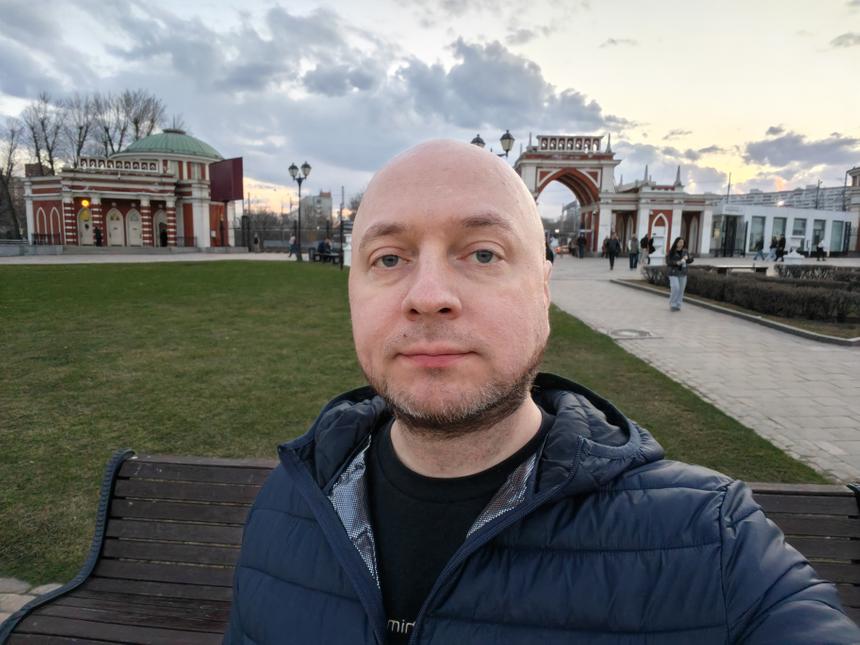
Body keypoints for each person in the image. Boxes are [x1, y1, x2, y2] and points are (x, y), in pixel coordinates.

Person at [225, 140, 859, 644]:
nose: (428, 296)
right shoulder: (290, 503)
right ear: (353, 293)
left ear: (544, 290)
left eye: (482, 254)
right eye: (389, 259)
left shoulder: (709, 541)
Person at [667, 236, 694, 311]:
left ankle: (678, 305)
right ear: (676, 243)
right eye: (679, 242)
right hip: (673, 273)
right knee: (675, 288)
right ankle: (672, 304)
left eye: (682, 242)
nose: (681, 244)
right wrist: (677, 263)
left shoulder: (685, 251)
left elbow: (689, 260)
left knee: (681, 290)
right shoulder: (672, 251)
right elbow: (668, 262)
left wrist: (689, 259)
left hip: (683, 272)